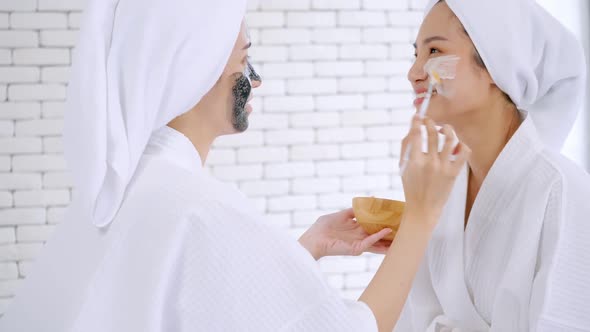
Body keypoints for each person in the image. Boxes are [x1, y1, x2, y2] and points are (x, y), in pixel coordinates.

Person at [0, 0, 471, 331]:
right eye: (244, 59)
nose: (256, 80)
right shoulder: (199, 212)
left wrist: (301, 250)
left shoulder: (117, 194)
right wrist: (422, 216)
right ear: (194, 68)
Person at [395, 0, 590, 331]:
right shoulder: (440, 186)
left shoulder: (562, 189)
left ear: (494, 64)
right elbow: (412, 314)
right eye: (416, 55)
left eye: (434, 52)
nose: (414, 73)